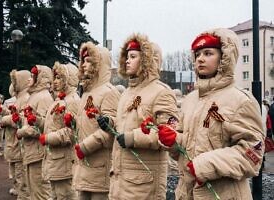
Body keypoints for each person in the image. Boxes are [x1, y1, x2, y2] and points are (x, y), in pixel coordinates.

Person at [158, 28, 264, 199]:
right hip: (186, 193)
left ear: (224, 57)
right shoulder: (190, 100)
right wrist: (174, 141)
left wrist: (203, 165)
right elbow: (189, 146)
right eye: (197, 54)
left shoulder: (240, 100)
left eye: (208, 53)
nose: (200, 59)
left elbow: (253, 154)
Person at [108, 34, 179, 200]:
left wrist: (133, 138)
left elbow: (169, 135)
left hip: (144, 185)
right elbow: (123, 127)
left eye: (133, 56)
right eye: (127, 56)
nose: (127, 60)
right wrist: (110, 124)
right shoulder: (126, 93)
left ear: (146, 60)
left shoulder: (162, 93)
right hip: (120, 180)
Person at [73, 41, 120, 200]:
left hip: (100, 167)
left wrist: (85, 147)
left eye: (89, 61)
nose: (84, 65)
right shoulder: (87, 93)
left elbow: (111, 132)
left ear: (99, 64)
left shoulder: (109, 92)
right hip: (84, 165)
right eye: (83, 61)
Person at [40, 61, 80, 200]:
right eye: (55, 78)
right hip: (55, 159)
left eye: (59, 78)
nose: (55, 82)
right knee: (56, 195)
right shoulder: (58, 101)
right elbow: (50, 125)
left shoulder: (73, 101)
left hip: (65, 161)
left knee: (65, 195)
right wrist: (37, 121)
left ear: (68, 80)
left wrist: (48, 138)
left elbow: (73, 132)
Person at [16, 65, 53, 199]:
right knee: (33, 191)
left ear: (40, 78)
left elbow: (44, 126)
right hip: (32, 150)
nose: (29, 80)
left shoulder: (43, 97)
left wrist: (22, 132)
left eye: (32, 76)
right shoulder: (35, 96)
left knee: (40, 192)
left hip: (38, 152)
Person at [0, 70, 31, 199]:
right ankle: (19, 189)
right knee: (15, 168)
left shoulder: (25, 99)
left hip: (19, 141)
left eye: (16, 81)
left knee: (20, 171)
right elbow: (15, 116)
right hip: (13, 139)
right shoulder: (20, 98)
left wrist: (5, 119)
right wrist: (4, 112)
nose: (14, 84)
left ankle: (23, 193)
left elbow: (20, 120)